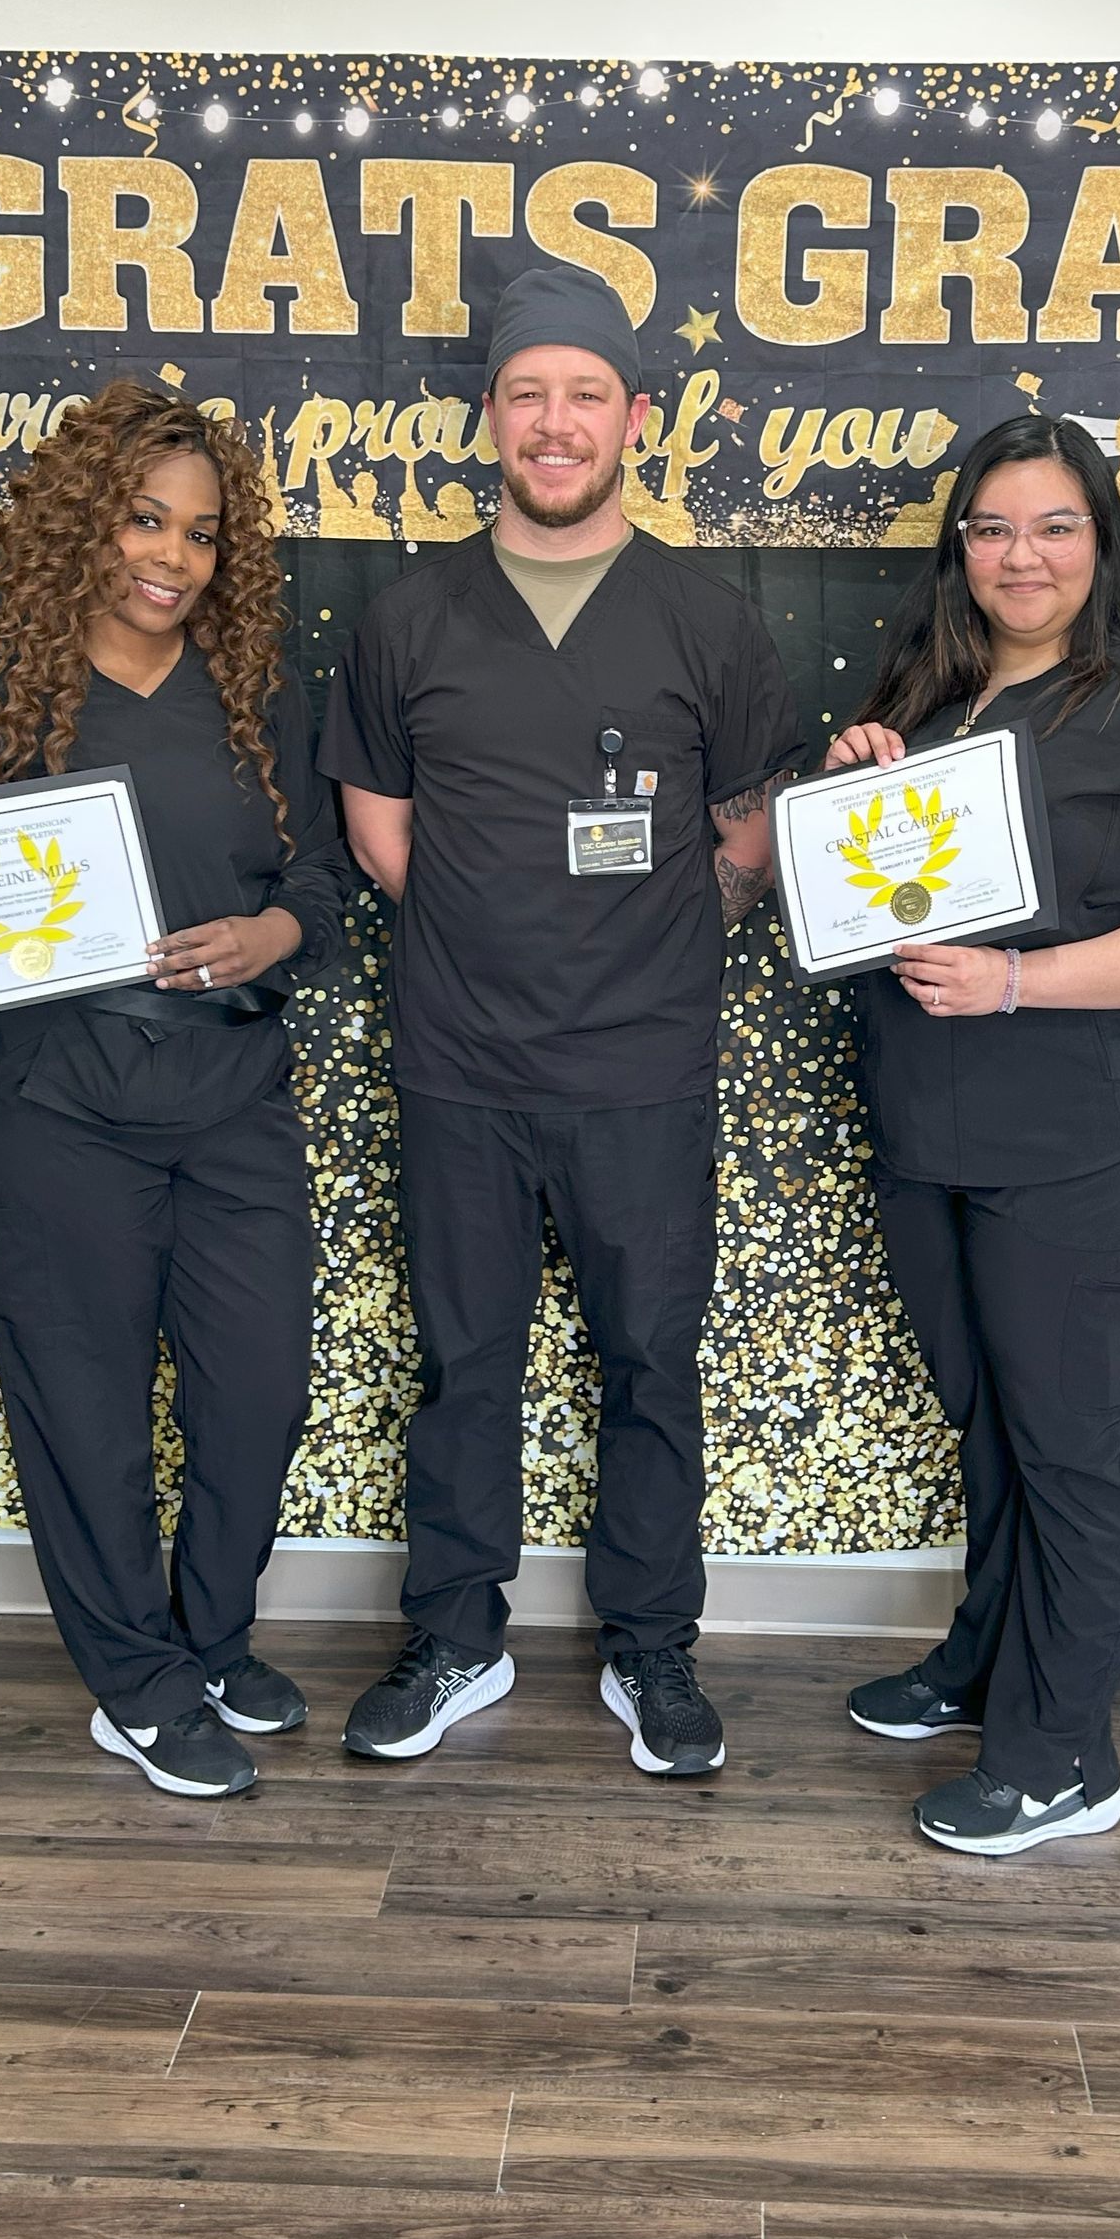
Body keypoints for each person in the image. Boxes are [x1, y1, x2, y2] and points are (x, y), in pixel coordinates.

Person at [319, 265, 802, 1777]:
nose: (555, 421)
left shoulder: (709, 621)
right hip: (461, 1065)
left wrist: (641, 938)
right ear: (489, 420)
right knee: (466, 1361)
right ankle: (456, 1638)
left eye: (585, 394)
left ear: (633, 419)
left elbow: (751, 827)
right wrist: (500, 938)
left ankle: (651, 1649)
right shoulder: (408, 618)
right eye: (528, 393)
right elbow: (383, 834)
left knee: (653, 1360)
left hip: (647, 1068)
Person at [0, 379, 352, 1800]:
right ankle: (137, 1682)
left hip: (234, 1092)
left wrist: (274, 931)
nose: (172, 556)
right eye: (147, 518)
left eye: (201, 534)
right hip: (56, 1106)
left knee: (258, 1389)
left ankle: (210, 1637)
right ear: (87, 523)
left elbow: (319, 877)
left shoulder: (257, 689)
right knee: (82, 1406)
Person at [835, 412, 1120, 1855]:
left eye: (1055, 527)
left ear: (1101, 543)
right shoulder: (933, 690)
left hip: (1099, 1139)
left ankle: (1063, 1753)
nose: (1023, 556)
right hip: (936, 1133)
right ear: (962, 547)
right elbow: (891, 892)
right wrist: (863, 786)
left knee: (1078, 1445)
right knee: (997, 1424)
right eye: (996, 528)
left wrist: (1020, 979)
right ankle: (986, 1661)